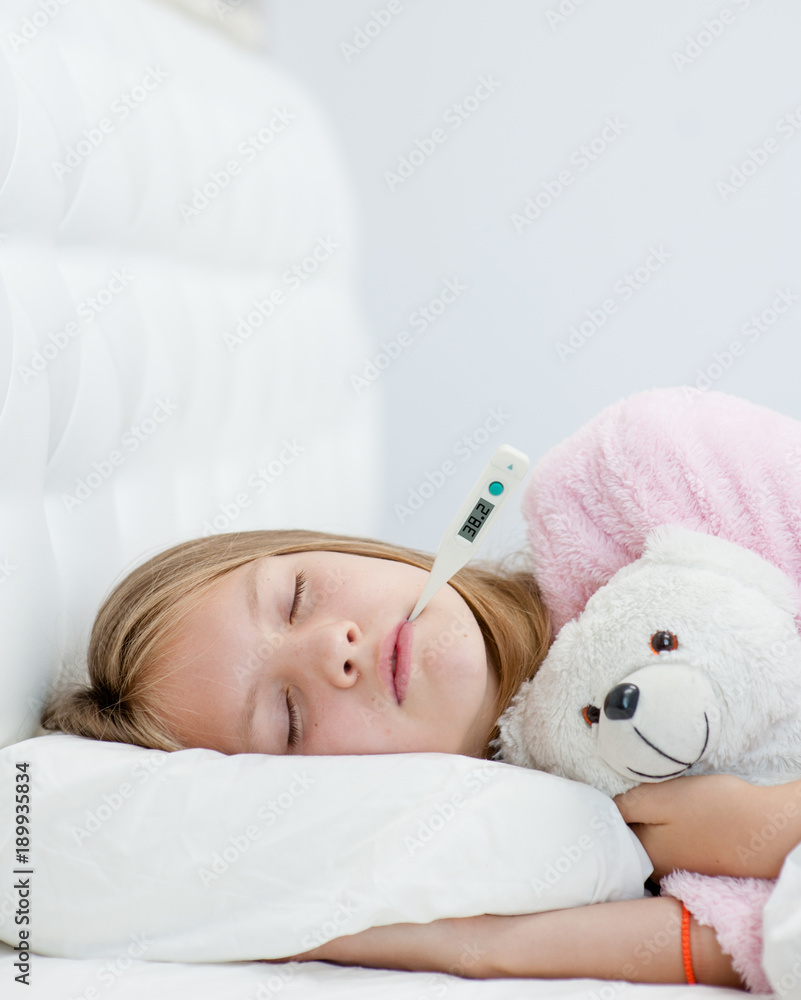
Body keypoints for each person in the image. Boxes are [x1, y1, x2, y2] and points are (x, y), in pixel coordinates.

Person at [39, 524, 801, 990]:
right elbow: (737, 947)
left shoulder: (646, 551)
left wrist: (768, 823)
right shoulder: (572, 843)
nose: (330, 648)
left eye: (297, 596)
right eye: (290, 715)